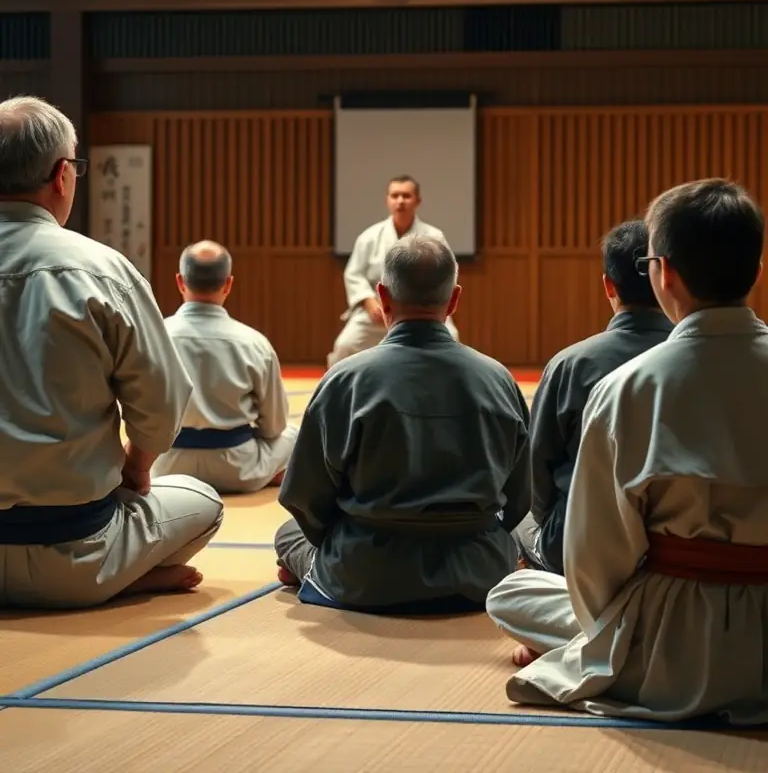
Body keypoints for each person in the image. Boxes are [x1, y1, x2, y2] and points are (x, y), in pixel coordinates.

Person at [487, 178, 768, 724]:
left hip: (672, 637)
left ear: (662, 273)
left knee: (511, 592)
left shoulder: (628, 388)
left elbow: (595, 560)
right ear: (757, 271)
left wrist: (601, 636)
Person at [0, 95, 224, 609]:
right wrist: (138, 464)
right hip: (78, 548)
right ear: (62, 176)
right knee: (202, 502)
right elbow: (163, 401)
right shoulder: (101, 271)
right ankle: (118, 577)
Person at [275, 235, 531, 614]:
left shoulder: (346, 379)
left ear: (383, 296)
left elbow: (305, 497)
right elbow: (521, 498)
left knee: (289, 534)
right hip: (478, 571)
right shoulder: (498, 379)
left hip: (368, 570)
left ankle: (318, 571)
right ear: (454, 299)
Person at [515, 219, 672, 575]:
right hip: (678, 542)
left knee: (519, 520)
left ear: (608, 286)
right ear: (667, 277)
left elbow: (538, 470)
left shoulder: (571, 365)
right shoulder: (699, 357)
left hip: (583, 542)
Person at [152, 241, 298, 493]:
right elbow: (274, 426)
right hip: (239, 469)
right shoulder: (254, 343)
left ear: (179, 281)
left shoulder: (154, 335)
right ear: (228, 284)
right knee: (294, 434)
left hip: (166, 468)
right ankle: (273, 472)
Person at [327, 176, 459, 367]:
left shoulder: (434, 236)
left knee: (452, 339)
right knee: (345, 345)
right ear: (387, 200)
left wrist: (431, 306)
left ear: (417, 201)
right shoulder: (369, 237)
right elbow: (353, 273)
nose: (400, 201)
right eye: (395, 195)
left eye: (406, 196)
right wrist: (368, 302)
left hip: (426, 311)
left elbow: (448, 274)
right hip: (379, 312)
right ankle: (339, 391)